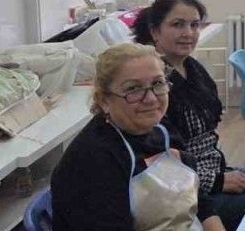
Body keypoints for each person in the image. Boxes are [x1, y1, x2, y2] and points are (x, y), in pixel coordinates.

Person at [51, 43, 226, 231]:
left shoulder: (162, 129)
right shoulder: (93, 160)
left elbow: (200, 201)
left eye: (157, 84)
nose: (150, 99)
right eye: (133, 89)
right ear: (104, 101)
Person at [134, 0, 245, 231]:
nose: (188, 33)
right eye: (177, 25)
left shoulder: (192, 69)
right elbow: (160, 165)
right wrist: (217, 181)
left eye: (194, 25)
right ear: (155, 31)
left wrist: (220, 175)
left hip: (213, 169)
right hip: (186, 193)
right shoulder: (153, 83)